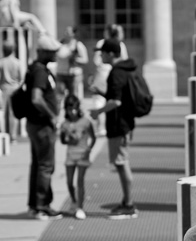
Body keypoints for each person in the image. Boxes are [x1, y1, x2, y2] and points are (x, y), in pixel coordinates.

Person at [92, 37, 138, 220]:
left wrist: (98, 111)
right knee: (121, 163)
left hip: (119, 124)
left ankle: (129, 205)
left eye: (102, 52)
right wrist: (100, 92)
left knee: (121, 163)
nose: (100, 56)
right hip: (124, 122)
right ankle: (127, 202)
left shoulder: (117, 72)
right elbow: (118, 96)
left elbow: (116, 101)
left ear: (110, 53)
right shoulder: (125, 69)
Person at [25, 33, 63, 220]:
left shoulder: (36, 68)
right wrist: (52, 115)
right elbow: (36, 98)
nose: (56, 54)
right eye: (52, 51)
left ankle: (35, 204)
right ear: (43, 52)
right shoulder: (40, 71)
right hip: (41, 124)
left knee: (38, 165)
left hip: (35, 124)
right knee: (46, 166)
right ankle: (42, 205)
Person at [59, 94, 96, 220]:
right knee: (69, 182)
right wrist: (67, 135)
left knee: (80, 181)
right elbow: (63, 141)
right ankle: (74, 201)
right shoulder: (65, 124)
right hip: (70, 154)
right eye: (69, 109)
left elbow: (93, 137)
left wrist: (89, 150)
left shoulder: (85, 122)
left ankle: (80, 207)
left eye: (74, 109)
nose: (72, 112)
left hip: (82, 154)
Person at [90, 24, 128, 134]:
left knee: (101, 100)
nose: (101, 55)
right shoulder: (120, 44)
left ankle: (102, 126)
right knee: (106, 99)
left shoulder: (103, 43)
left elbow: (96, 61)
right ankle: (103, 125)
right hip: (107, 72)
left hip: (103, 72)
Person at [0, 44, 23, 142]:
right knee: (13, 113)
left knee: (1, 111)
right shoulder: (17, 62)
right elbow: (21, 78)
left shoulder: (0, 62)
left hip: (3, 88)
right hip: (15, 88)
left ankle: (2, 133)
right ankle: (13, 136)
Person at [55, 26, 89, 99]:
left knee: (74, 95)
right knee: (60, 94)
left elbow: (85, 60)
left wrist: (75, 59)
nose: (65, 33)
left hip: (74, 74)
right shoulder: (59, 43)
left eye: (68, 32)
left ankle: (73, 108)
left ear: (73, 34)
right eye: (65, 31)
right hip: (61, 72)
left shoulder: (78, 45)